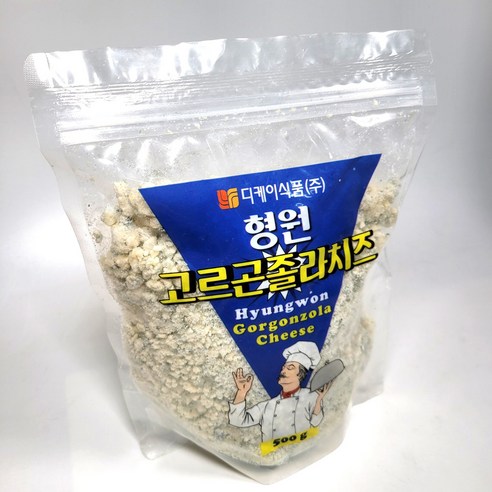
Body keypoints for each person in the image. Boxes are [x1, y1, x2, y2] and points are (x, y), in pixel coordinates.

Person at [228, 341, 332, 442]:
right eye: (283, 367)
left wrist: (319, 400)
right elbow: (238, 421)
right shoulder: (267, 406)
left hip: (305, 445)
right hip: (269, 452)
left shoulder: (311, 396)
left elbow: (316, 421)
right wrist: (241, 392)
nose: (283, 371)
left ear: (300, 375)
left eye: (290, 368)